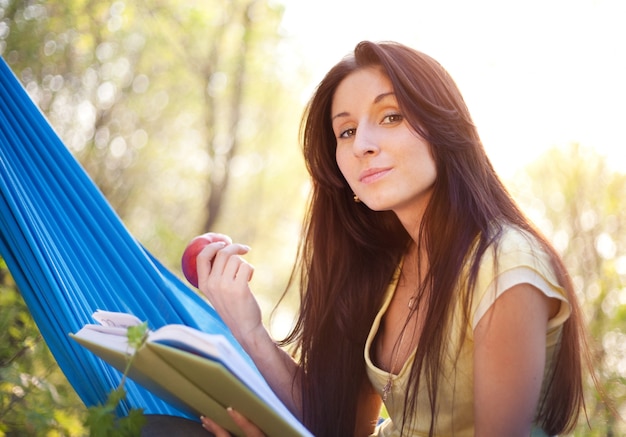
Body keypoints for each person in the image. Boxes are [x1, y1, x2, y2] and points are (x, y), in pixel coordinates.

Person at [194, 41, 588, 436]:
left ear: (443, 128)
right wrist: (248, 329)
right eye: (345, 131)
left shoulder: (505, 265)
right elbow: (339, 424)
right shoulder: (384, 264)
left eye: (391, 116)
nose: (362, 144)